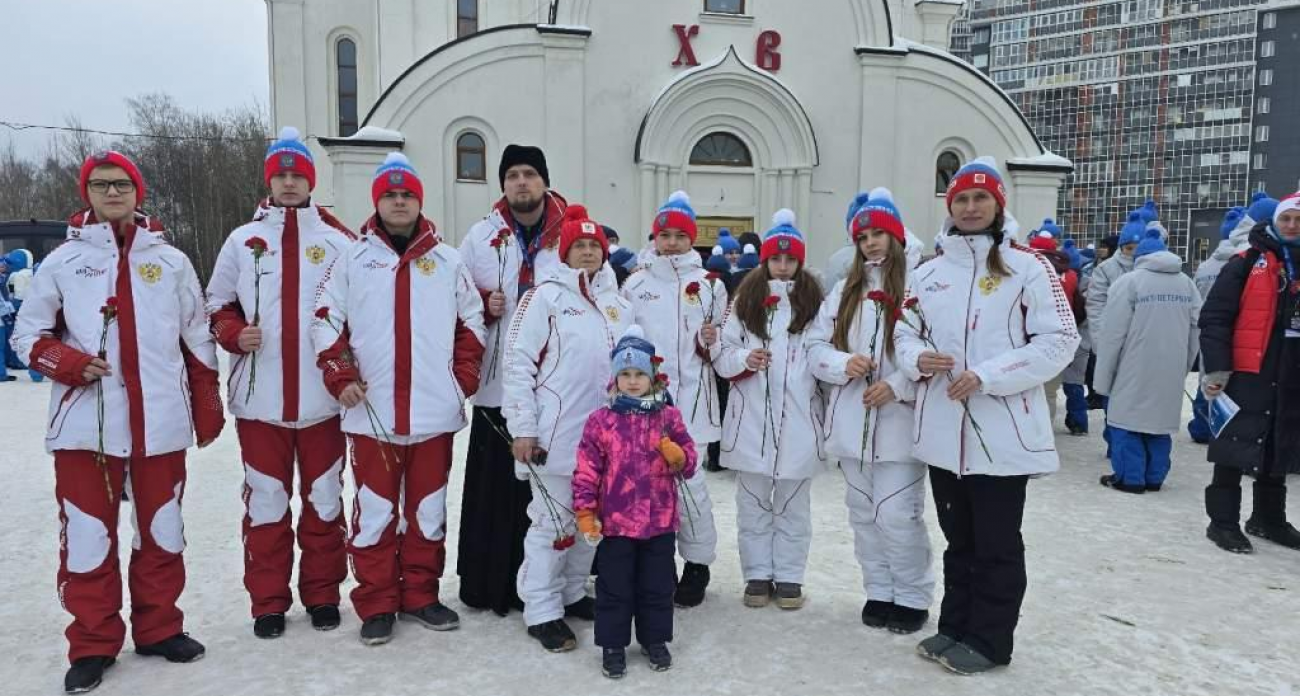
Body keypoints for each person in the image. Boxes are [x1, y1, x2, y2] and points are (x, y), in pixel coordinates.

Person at [12, 151, 225, 693]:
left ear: (139, 192)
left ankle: (158, 627)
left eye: (122, 184)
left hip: (160, 423)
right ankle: (92, 642)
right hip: (87, 427)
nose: (112, 193)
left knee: (162, 531)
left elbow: (197, 335)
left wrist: (206, 403)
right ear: (87, 193)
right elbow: (25, 336)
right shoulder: (63, 262)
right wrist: (71, 364)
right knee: (87, 536)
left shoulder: (171, 261)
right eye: (101, 184)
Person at [896, 157, 1079, 675]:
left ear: (999, 205)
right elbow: (903, 333)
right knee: (959, 538)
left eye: (981, 199)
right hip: (942, 430)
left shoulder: (1029, 267)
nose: (971, 207)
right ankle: (955, 625)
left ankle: (990, 639)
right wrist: (915, 358)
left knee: (996, 543)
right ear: (949, 206)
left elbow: (1060, 340)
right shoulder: (929, 273)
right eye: (961, 199)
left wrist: (989, 375)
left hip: (1002, 432)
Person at [313, 153, 486, 645]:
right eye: (390, 194)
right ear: (377, 202)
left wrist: (462, 380)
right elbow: (324, 321)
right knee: (374, 512)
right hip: (373, 414)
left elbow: (471, 325)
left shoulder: (448, 261)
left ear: (419, 200)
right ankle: (377, 602)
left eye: (407, 194)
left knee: (428, 510)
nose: (399, 202)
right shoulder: (352, 257)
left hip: (433, 413)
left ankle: (421, 595)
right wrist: (340, 374)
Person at [205, 126, 355, 639]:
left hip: (323, 402)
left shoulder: (338, 241)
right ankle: (268, 601)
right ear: (269, 181)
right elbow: (216, 304)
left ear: (311, 181)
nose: (289, 184)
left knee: (325, 501)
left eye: (297, 175)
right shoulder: (243, 241)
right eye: (281, 175)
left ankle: (322, 593)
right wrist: (231, 331)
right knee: (267, 502)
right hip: (260, 401)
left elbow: (359, 312)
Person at [504, 204, 633, 652]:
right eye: (578, 245)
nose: (586, 252)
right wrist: (523, 427)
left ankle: (574, 591)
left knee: (591, 522)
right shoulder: (544, 297)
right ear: (564, 251)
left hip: (607, 442)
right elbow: (517, 363)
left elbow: (638, 367)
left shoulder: (619, 306)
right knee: (552, 523)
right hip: (556, 437)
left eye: (593, 246)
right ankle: (541, 608)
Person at [807, 188, 933, 634]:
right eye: (863, 237)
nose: (871, 243)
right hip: (851, 422)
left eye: (879, 233)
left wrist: (898, 386)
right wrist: (844, 364)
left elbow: (935, 352)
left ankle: (912, 595)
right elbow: (814, 346)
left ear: (896, 237)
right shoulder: (845, 291)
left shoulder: (919, 286)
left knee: (897, 515)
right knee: (862, 514)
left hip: (901, 427)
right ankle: (879, 589)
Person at [456, 144, 569, 617]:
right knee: (495, 490)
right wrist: (484, 302)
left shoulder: (571, 235)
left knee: (551, 488)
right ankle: (491, 583)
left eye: (529, 174)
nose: (521, 183)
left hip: (557, 386)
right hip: (497, 384)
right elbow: (455, 300)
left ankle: (557, 585)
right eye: (513, 176)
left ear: (544, 181)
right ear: (503, 185)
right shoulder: (481, 238)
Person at [714, 209, 826, 611]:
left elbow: (823, 354)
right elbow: (721, 357)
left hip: (798, 422)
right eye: (776, 259)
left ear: (799, 261)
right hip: (751, 423)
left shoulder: (814, 303)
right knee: (753, 506)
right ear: (765, 260)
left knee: (794, 507)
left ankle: (791, 576)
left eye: (789, 259)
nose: (782, 266)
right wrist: (745, 357)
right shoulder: (744, 300)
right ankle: (757, 575)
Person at [572, 325, 697, 679]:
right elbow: (586, 470)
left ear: (653, 376)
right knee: (614, 587)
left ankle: (654, 639)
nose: (631, 381)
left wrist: (679, 457)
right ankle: (612, 644)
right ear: (614, 378)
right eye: (624, 374)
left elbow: (689, 462)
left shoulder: (668, 418)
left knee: (657, 586)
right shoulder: (601, 422)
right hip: (616, 524)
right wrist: (585, 511)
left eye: (639, 373)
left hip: (659, 522)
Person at [621, 191, 722, 607]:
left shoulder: (710, 285)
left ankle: (697, 564)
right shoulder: (637, 284)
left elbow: (721, 345)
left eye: (682, 236)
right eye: (666, 235)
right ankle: (657, 565)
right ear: (655, 237)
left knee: (689, 486)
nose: (673, 243)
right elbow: (625, 345)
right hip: (646, 406)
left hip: (694, 405)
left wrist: (708, 343)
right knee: (648, 487)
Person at [1199, 191, 1300, 554]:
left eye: (1298, 221)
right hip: (1247, 370)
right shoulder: (1246, 261)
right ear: (1275, 221)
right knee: (1234, 445)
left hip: (1291, 371)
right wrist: (1218, 366)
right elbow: (1215, 317)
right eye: (1286, 219)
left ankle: (1267, 519)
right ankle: (1222, 522)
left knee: (1279, 445)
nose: (1291, 226)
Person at [1094, 229, 1200, 493]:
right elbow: (1197, 329)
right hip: (1171, 365)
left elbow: (1112, 335)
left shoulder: (1129, 283)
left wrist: (1103, 379)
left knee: (1126, 422)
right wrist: (1184, 364)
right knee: (1157, 424)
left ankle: (1130, 478)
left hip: (1132, 365)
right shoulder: (1186, 284)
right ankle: (1154, 476)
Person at [1086, 211, 1147, 442]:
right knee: (1114, 395)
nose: (1133, 253)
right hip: (1115, 342)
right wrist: (1102, 342)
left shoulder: (1150, 269)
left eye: (1137, 247)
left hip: (1143, 344)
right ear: (1121, 246)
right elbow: (1096, 306)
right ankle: (1115, 441)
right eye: (1129, 247)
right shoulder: (1106, 270)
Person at [1188, 207, 1246, 444]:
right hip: (1236, 333)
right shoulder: (1246, 263)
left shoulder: (1205, 266)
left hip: (1206, 331)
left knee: (1208, 376)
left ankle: (1202, 427)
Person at [1059, 238, 1090, 435]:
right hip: (1084, 340)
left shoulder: (1058, 283)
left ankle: (1075, 420)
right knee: (1075, 383)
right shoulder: (1090, 284)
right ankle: (1079, 421)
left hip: (1065, 338)